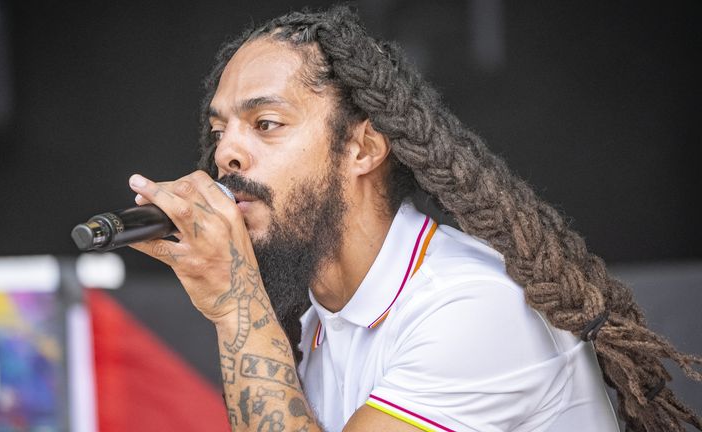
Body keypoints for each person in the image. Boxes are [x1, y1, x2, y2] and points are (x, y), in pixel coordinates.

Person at [127, 6, 701, 432]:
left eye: (266, 123)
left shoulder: (474, 305)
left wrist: (236, 308)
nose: (226, 152)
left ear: (363, 150)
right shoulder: (318, 319)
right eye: (219, 129)